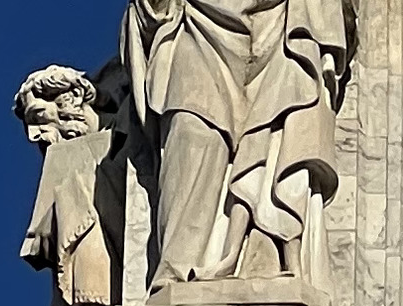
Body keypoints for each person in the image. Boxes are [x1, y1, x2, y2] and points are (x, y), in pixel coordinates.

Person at [124, 0, 353, 291]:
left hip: (280, 32)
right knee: (193, 135)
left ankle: (261, 256)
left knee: (275, 139)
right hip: (197, 28)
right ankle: (177, 271)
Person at [12, 65, 119, 306]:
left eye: (39, 116)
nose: (35, 134)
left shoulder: (128, 137)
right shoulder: (68, 159)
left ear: (72, 98)